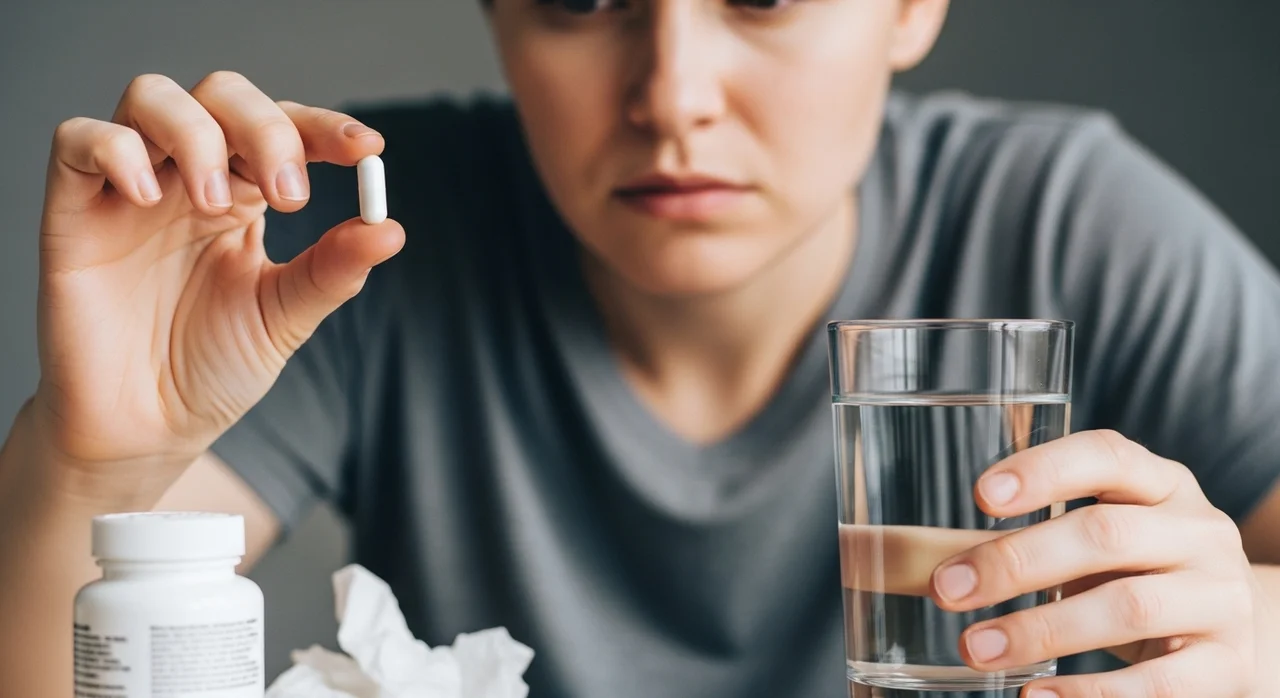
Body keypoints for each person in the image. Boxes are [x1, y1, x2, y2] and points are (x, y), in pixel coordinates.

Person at [2, 1, 1279, 696]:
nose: (670, 91)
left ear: (910, 7)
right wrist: (93, 459)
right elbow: (72, 654)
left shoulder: (1068, 220)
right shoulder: (332, 244)